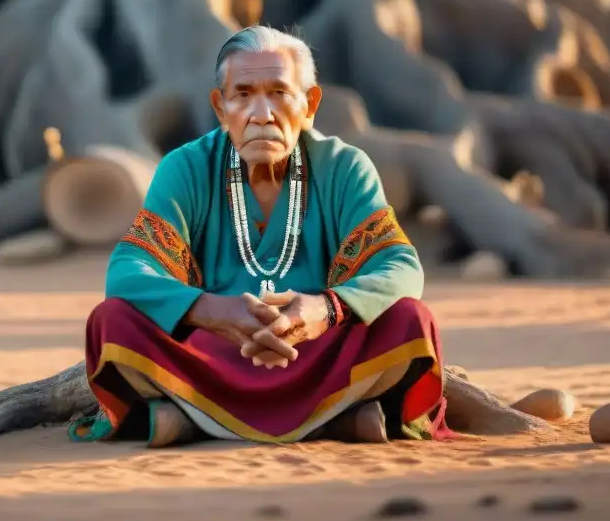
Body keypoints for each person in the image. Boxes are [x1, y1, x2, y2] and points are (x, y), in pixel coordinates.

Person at [71, 25, 449, 447]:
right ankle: (338, 422)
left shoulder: (345, 167)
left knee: (411, 322)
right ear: (220, 106)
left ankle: (189, 421)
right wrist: (209, 310)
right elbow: (128, 269)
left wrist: (325, 310)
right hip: (210, 354)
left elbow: (400, 267)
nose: (262, 113)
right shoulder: (185, 168)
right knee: (112, 322)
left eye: (279, 93)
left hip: (317, 352)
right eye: (244, 94)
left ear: (310, 105)